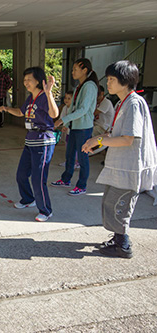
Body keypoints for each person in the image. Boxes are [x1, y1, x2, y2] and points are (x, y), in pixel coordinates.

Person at [81, 60, 157, 258]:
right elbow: (115, 134)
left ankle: (123, 245)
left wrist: (98, 139)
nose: (109, 83)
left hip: (130, 166)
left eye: (113, 79)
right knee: (110, 202)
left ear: (126, 81)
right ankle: (118, 239)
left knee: (119, 204)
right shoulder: (123, 102)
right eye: (109, 79)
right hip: (122, 165)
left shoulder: (133, 103)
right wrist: (96, 143)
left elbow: (127, 139)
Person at [0, 67, 59, 222]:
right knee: (21, 175)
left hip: (43, 141)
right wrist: (6, 109)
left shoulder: (45, 97)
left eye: (29, 80)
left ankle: (46, 210)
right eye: (24, 80)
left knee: (38, 179)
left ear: (38, 80)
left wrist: (49, 93)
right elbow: (21, 112)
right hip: (30, 140)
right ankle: (28, 199)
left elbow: (54, 114)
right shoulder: (30, 98)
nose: (26, 83)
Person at [51, 58, 98, 196]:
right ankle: (66, 180)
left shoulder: (89, 86)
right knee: (69, 155)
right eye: (72, 69)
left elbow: (83, 110)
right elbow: (72, 108)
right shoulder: (79, 86)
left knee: (83, 158)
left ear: (85, 70)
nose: (72, 72)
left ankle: (82, 185)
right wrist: (66, 123)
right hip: (74, 127)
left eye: (75, 69)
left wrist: (62, 120)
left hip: (84, 128)